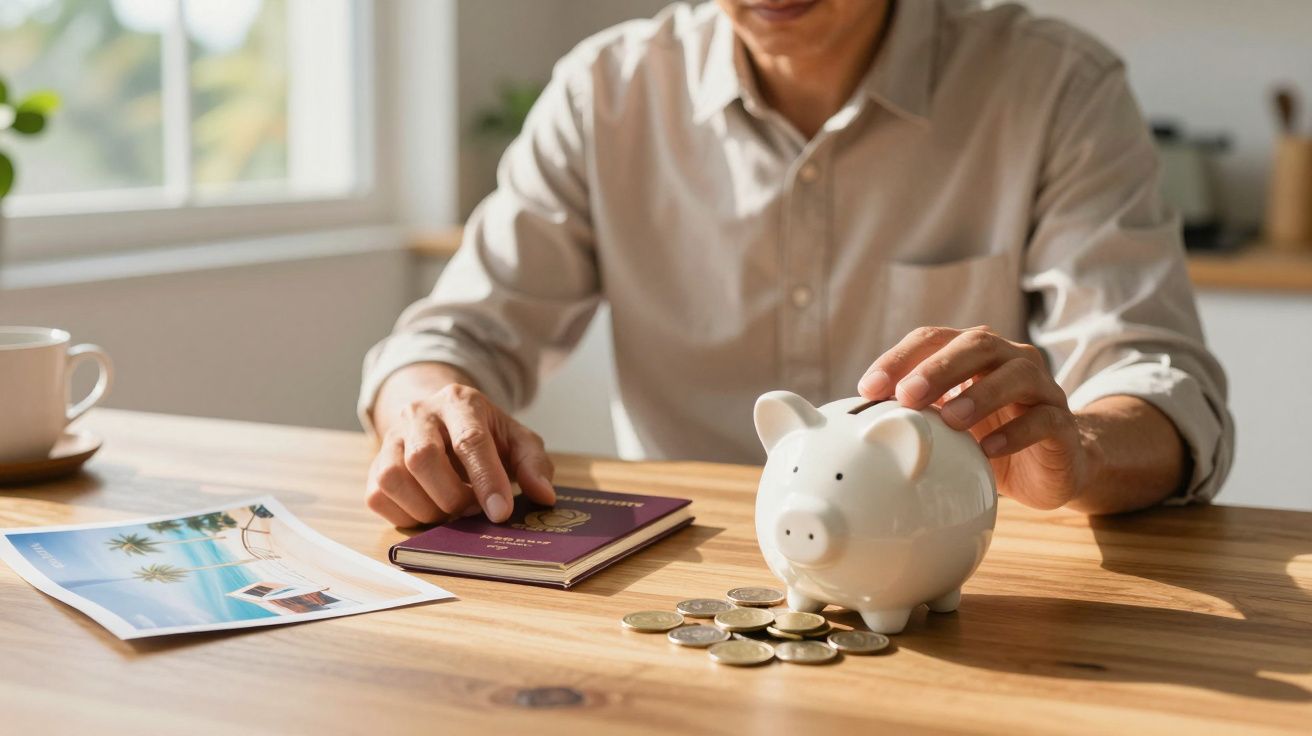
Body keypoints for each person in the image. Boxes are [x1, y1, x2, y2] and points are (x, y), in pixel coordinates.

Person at [358, 0, 1233, 527]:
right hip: (685, 588)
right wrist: (430, 407)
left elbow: (1160, 381)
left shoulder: (1056, 88)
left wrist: (1076, 448)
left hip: (952, 582)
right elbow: (454, 337)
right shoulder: (606, 92)